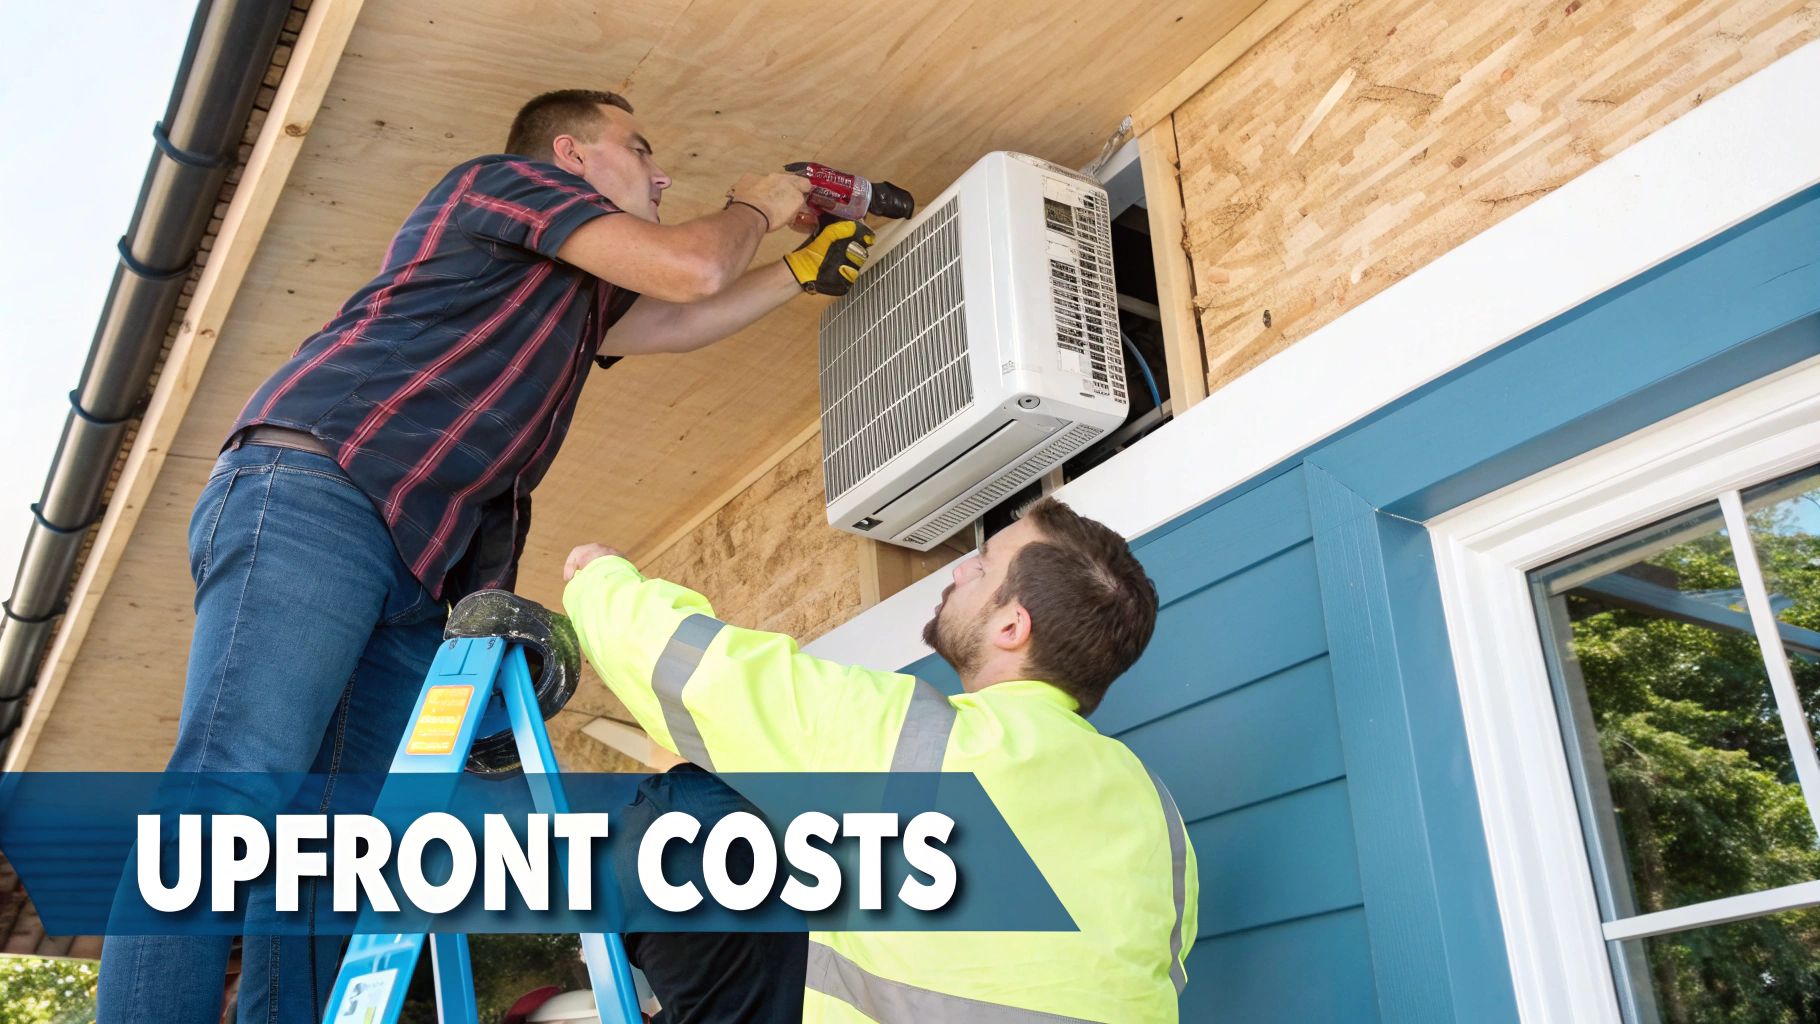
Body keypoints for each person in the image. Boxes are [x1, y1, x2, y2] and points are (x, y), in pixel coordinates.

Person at [98, 88, 874, 1024]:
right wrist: (754, 204)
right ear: (569, 154)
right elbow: (694, 273)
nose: (661, 171)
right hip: (320, 490)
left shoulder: (576, 290)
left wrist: (802, 269)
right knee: (232, 789)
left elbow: (669, 317)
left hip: (421, 567)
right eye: (638, 147)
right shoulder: (504, 186)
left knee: (333, 848)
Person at [561, 497, 1198, 1023]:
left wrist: (599, 578)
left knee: (691, 812)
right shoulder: (1155, 813)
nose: (958, 572)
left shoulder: (927, 746)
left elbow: (697, 675)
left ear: (1012, 627)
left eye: (980, 567)